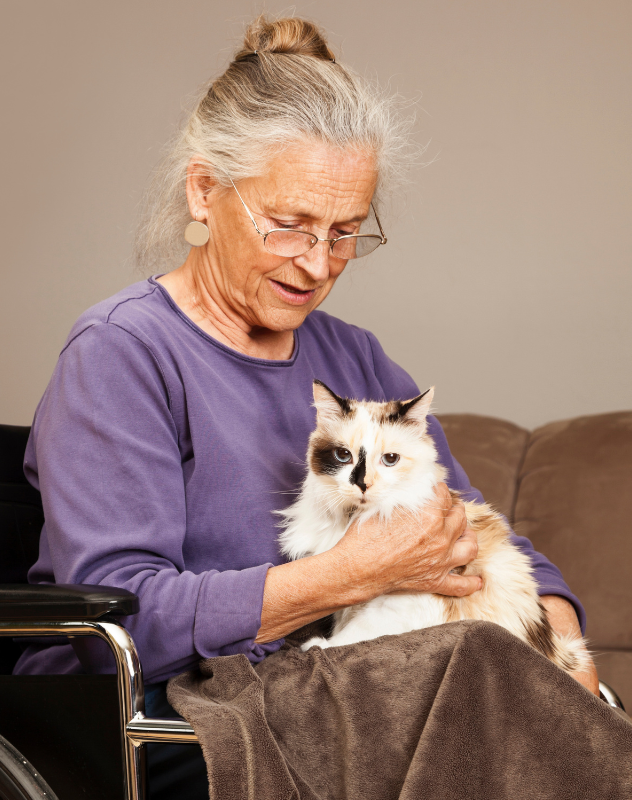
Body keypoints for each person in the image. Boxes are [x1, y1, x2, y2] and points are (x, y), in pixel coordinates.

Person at [15, 14, 599, 798]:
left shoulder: (351, 356)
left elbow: (476, 530)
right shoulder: (121, 354)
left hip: (324, 686)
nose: (318, 264)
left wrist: (568, 653)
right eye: (289, 226)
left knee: (533, 704)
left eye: (346, 234)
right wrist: (344, 576)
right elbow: (121, 625)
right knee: (474, 694)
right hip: (153, 711)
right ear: (204, 190)